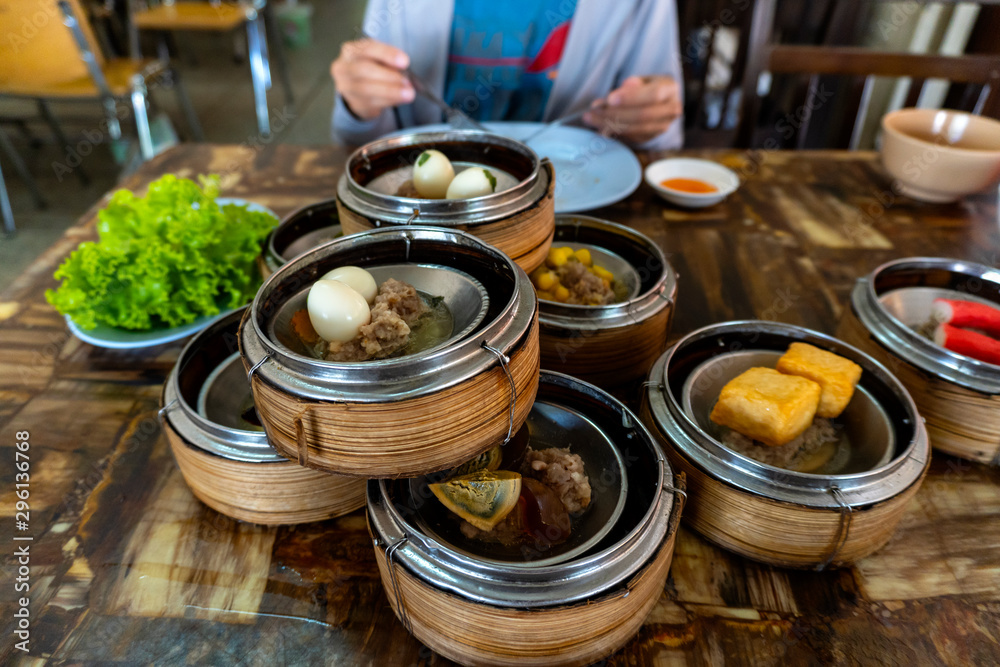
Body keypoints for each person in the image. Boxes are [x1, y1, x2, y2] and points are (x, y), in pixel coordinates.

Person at [331, 0, 684, 149]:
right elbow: (360, 141)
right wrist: (358, 104)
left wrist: (647, 120)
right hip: (423, 215)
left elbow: (661, 138)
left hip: (575, 210)